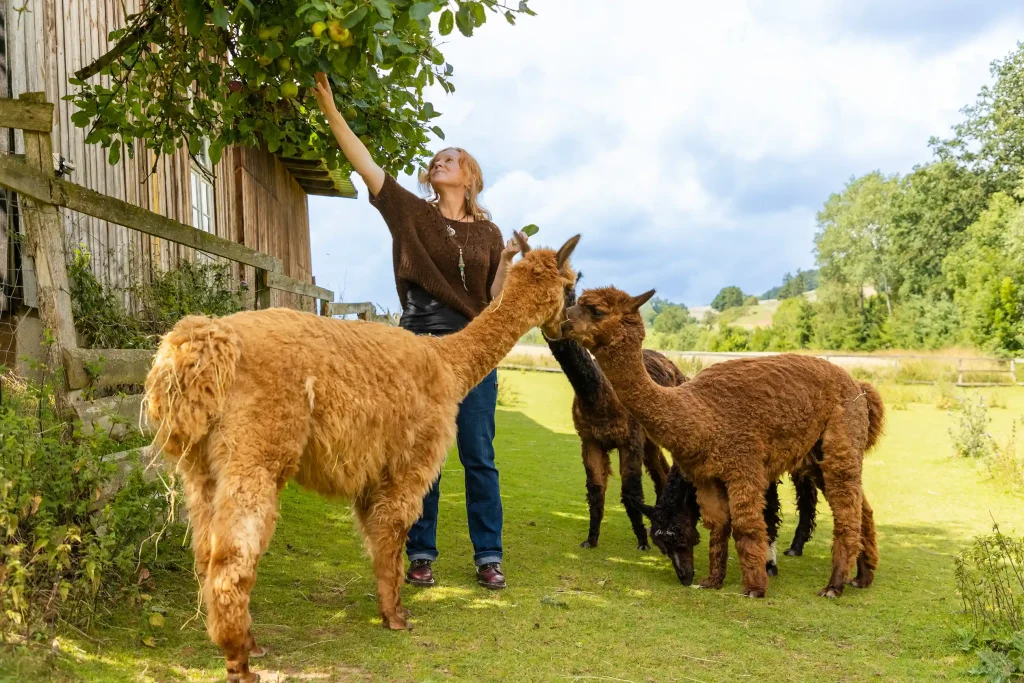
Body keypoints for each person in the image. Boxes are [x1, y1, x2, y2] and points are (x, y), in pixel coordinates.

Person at [312, 72, 523, 590]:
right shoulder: (410, 214)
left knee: (479, 454)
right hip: (418, 347)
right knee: (416, 454)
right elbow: (366, 167)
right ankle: (421, 552)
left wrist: (507, 265)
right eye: (436, 160)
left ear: (470, 175)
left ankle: (488, 555)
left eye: (450, 158)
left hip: (472, 351)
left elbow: (493, 302)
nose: (439, 162)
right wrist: (333, 114)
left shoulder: (490, 232)